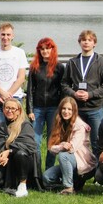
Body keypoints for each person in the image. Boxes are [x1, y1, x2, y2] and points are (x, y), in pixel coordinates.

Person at [61, 29, 103, 151]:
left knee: (97, 141)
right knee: (75, 141)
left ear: (94, 43)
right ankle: (78, 169)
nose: (86, 42)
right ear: (79, 42)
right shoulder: (72, 62)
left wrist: (90, 94)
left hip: (95, 108)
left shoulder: (102, 62)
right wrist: (73, 93)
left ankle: (97, 169)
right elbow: (64, 84)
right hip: (76, 109)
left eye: (89, 40)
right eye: (83, 40)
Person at [42, 97, 96, 194]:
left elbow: (71, 149)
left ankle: (68, 187)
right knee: (46, 177)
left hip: (83, 164)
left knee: (63, 155)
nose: (66, 111)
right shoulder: (59, 123)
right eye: (64, 108)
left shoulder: (80, 126)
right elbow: (51, 148)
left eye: (69, 109)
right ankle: (74, 183)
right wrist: (62, 145)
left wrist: (60, 147)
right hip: (68, 163)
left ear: (74, 111)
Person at [0, 99, 40, 197]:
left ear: (19, 111)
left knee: (20, 153)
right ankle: (11, 182)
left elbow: (29, 146)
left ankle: (23, 185)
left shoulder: (25, 125)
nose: (9, 111)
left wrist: (10, 151)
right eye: (7, 108)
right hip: (6, 163)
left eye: (13, 108)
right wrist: (0, 157)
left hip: (24, 161)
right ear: (3, 110)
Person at [26, 37, 65, 169]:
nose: (45, 51)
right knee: (35, 142)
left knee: (52, 141)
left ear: (52, 49)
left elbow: (62, 89)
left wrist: (61, 110)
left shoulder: (59, 67)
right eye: (42, 49)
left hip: (53, 108)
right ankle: (37, 172)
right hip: (37, 108)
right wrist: (29, 110)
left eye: (47, 48)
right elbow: (30, 89)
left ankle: (49, 171)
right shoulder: (34, 67)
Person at [0, 23, 27, 127]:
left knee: (15, 129)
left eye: (8, 34)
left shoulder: (19, 52)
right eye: (3, 34)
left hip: (15, 97)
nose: (5, 37)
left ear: (13, 36)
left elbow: (21, 78)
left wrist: (8, 95)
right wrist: (2, 93)